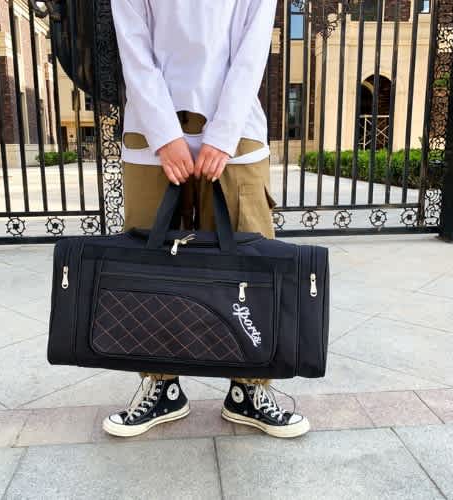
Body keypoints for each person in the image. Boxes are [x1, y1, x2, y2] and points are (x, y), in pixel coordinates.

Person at [103, 0, 310, 439]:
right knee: (149, 266)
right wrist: (164, 134)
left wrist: (224, 132)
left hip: (237, 129)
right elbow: (133, 47)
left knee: (248, 265)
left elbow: (252, 49)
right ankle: (161, 385)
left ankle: (249, 388)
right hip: (150, 130)